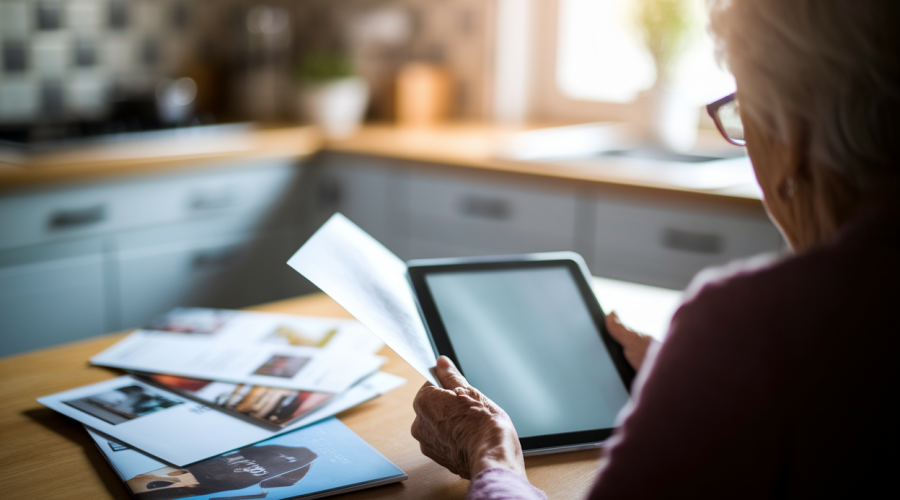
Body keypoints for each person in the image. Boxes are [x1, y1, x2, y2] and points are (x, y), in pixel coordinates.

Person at [411, 1, 899, 497]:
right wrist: (701, 378)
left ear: (791, 130)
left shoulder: (751, 323)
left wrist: (492, 456)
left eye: (742, 109)